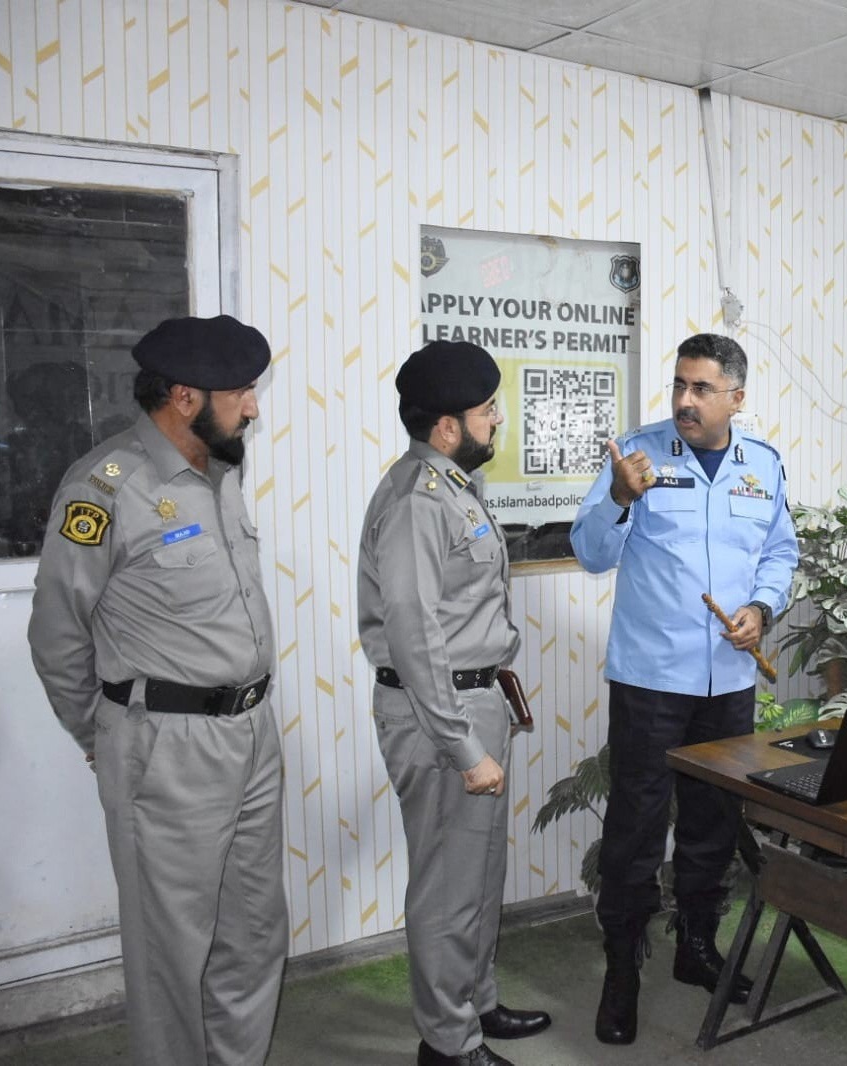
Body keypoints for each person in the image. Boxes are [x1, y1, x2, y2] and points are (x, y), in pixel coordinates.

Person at [28, 314, 286, 1065]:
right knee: (170, 951)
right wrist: (105, 735)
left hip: (251, 734)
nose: (253, 408)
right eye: (241, 394)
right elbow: (57, 636)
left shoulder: (220, 473)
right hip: (165, 748)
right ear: (183, 397)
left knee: (254, 933)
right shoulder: (105, 488)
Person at [571, 333, 799, 1045]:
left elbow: (780, 552)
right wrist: (618, 497)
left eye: (701, 388)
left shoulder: (762, 465)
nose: (684, 400)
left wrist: (760, 607)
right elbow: (589, 553)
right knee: (635, 826)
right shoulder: (638, 456)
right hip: (652, 678)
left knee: (712, 821)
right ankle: (622, 967)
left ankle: (697, 945)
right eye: (679, 385)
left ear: (737, 397)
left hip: (727, 682)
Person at [357, 340, 550, 1066]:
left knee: (478, 873)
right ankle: (447, 1043)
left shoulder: (453, 486)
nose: (497, 420)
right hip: (440, 714)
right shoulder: (417, 500)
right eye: (486, 410)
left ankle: (475, 1002)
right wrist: (463, 747)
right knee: (446, 886)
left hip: (474, 700)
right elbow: (413, 636)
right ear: (446, 427)